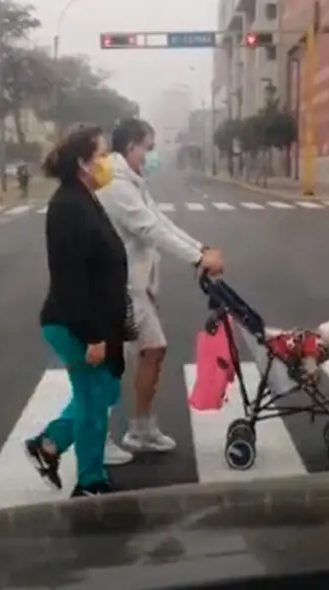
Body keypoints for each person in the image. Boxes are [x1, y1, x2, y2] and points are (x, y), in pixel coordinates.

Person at [98, 118, 224, 464]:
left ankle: (139, 429)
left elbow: (162, 222)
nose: (151, 155)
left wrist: (201, 249)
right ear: (131, 147)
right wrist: (199, 257)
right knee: (124, 360)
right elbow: (149, 228)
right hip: (120, 286)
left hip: (135, 285)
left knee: (137, 356)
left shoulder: (133, 180)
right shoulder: (115, 184)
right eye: (148, 148)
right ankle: (97, 434)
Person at [25, 125, 129, 497]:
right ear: (84, 162)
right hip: (75, 323)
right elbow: (71, 279)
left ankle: (49, 444)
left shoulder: (84, 197)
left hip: (94, 321)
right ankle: (90, 482)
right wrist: (94, 336)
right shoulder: (69, 205)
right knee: (92, 398)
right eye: (102, 155)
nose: (107, 162)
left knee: (104, 390)